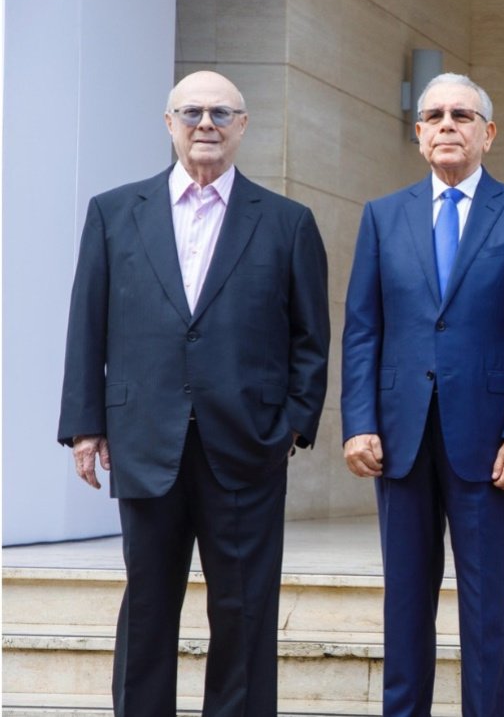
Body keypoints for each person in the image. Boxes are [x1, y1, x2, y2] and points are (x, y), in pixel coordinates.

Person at [57, 70, 330, 716]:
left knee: (245, 611)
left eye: (221, 112)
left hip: (247, 448)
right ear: (169, 123)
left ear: (243, 125)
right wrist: (86, 425)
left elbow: (311, 337)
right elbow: (87, 323)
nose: (205, 123)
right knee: (148, 607)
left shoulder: (288, 222)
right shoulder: (113, 213)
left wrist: (290, 425)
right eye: (191, 112)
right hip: (145, 441)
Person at [341, 73, 504, 717]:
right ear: (418, 134)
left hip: (492, 445)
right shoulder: (382, 216)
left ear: (487, 134)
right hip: (398, 438)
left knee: (486, 607)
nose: (447, 125)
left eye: (462, 116)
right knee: (404, 602)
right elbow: (362, 329)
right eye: (434, 115)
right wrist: (358, 421)